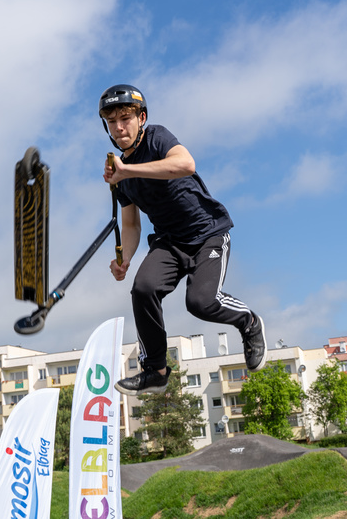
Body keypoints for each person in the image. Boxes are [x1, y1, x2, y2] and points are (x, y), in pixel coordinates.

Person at [99, 84, 266, 396]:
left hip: (208, 235)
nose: (119, 126)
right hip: (169, 241)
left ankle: (249, 322)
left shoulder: (158, 138)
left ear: (141, 118)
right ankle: (156, 371)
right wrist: (126, 259)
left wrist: (128, 169)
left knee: (201, 303)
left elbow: (185, 164)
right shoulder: (121, 176)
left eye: (125, 118)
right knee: (143, 288)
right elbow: (131, 224)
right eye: (112, 122)